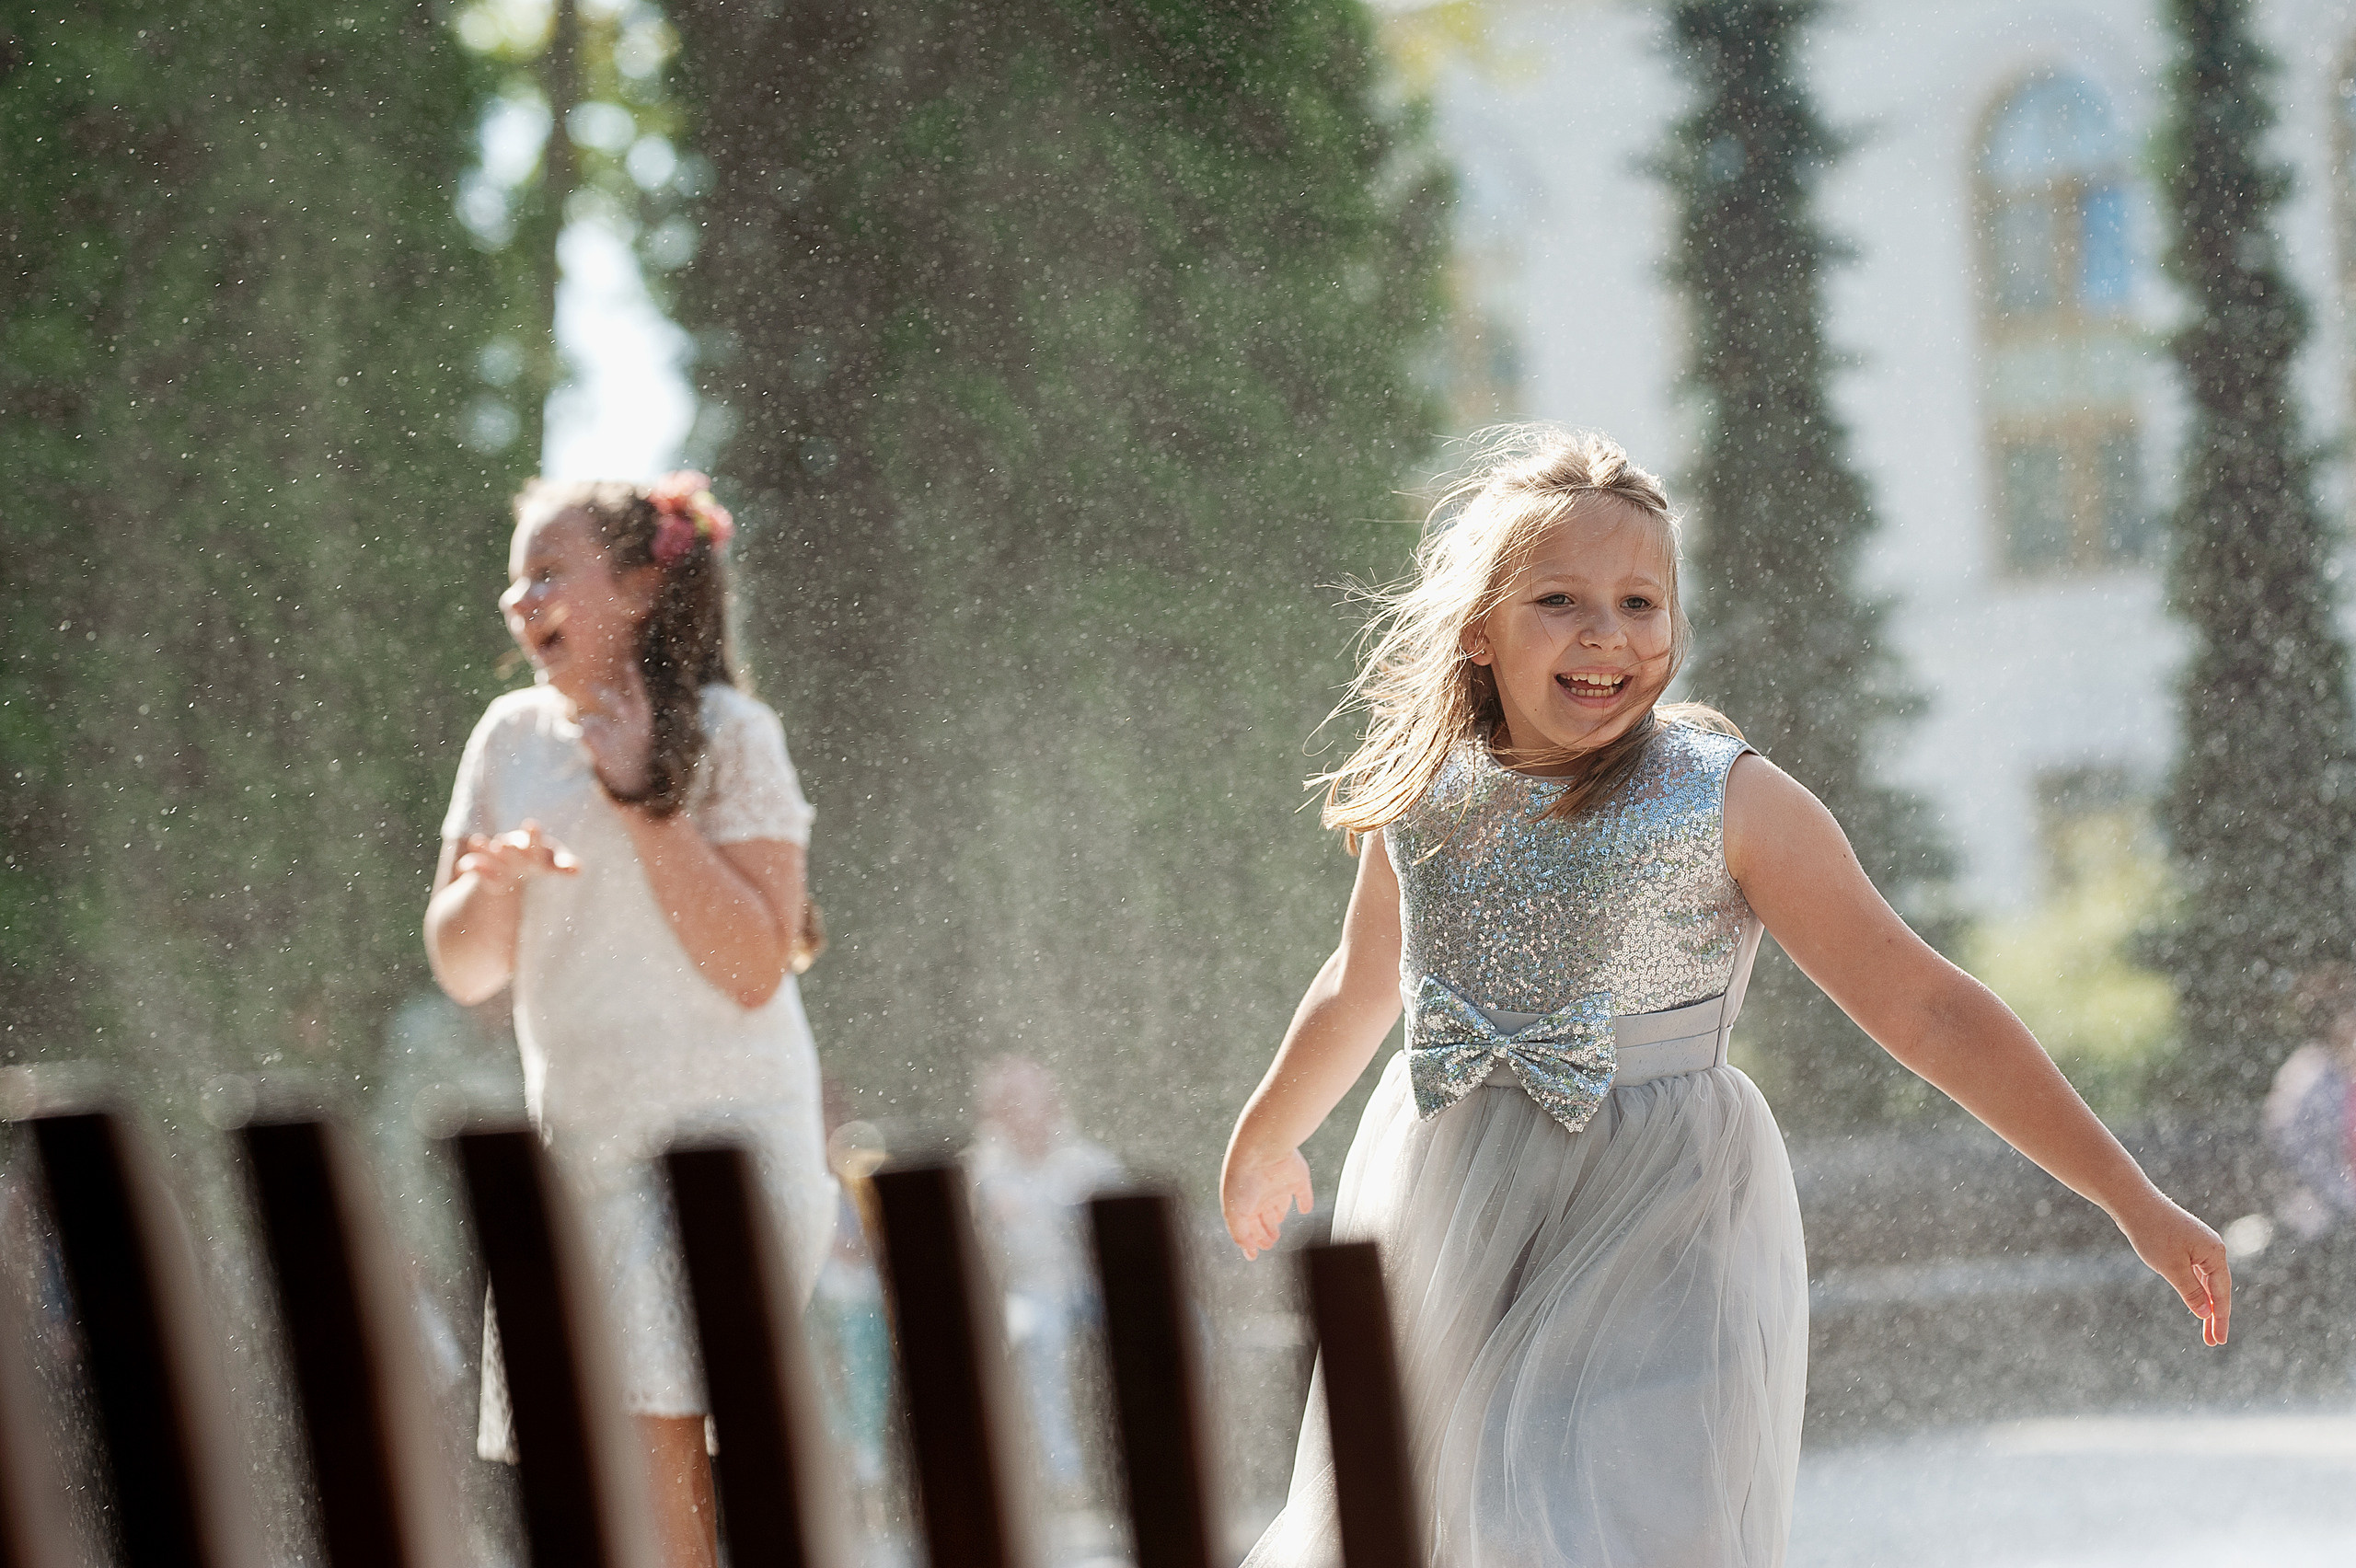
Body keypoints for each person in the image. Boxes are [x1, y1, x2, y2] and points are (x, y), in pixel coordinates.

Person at [1218, 428, 2231, 1566]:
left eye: (1640, 603)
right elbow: (1362, 984)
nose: (1606, 634)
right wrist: (1270, 1130)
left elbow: (1926, 1010)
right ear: (1478, 630)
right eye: (1559, 600)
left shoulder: (1729, 802)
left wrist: (2129, 1197)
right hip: (1459, 1213)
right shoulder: (1425, 799)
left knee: (1592, 1522)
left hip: (1664, 1221)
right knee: (1442, 1526)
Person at [423, 472, 834, 1568]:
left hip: (725, 1152)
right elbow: (463, 968)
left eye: (549, 573)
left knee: (655, 1449)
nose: (522, 602)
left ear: (644, 588)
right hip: (579, 1158)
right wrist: (492, 889)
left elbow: (754, 966)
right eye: (517, 581)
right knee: (582, 1471)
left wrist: (639, 799)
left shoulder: (733, 734)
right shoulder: (508, 740)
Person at [965, 1054, 1125, 1495]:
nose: (1021, 1111)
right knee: (1038, 1337)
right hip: (1026, 1291)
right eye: (1010, 1101)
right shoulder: (985, 1172)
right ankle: (1065, 1476)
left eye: (1029, 1098)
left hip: (1091, 1288)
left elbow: (1124, 1227)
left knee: (1167, 1324)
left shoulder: (1084, 1160)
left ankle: (1143, 1449)